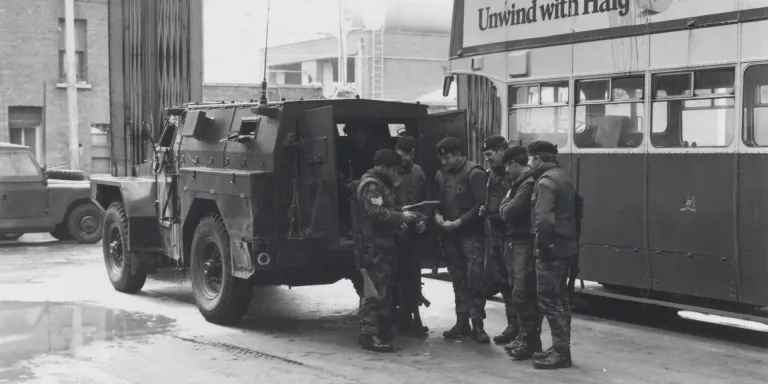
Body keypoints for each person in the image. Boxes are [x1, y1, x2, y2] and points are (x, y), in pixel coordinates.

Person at [355, 149, 423, 352]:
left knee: (381, 290)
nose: (396, 175)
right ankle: (369, 335)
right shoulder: (373, 184)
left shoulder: (378, 182)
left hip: (383, 242)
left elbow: (384, 211)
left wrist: (398, 219)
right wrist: (401, 218)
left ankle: (376, 331)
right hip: (376, 245)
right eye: (394, 170)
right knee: (375, 291)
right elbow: (375, 212)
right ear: (383, 167)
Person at [525, 141, 578, 369]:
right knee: (561, 302)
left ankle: (560, 353)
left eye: (530, 159)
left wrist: (542, 247)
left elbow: (544, 219)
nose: (528, 163)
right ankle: (561, 348)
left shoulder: (545, 182)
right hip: (565, 247)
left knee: (549, 301)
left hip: (551, 249)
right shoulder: (563, 177)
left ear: (537, 159)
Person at [433, 137, 490, 343]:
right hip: (450, 236)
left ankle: (478, 324)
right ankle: (462, 321)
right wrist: (437, 216)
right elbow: (438, 202)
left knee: (474, 279)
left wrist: (458, 222)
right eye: (441, 158)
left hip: (471, 236)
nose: (444, 162)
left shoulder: (474, 173)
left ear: (459, 155)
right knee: (457, 279)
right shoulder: (441, 175)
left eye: (447, 157)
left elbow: (480, 206)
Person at [498, 146, 542, 360]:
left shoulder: (526, 184)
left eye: (507, 165)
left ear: (514, 163)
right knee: (520, 291)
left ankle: (529, 341)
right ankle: (527, 339)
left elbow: (509, 211)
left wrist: (504, 203)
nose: (506, 170)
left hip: (523, 242)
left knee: (522, 292)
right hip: (517, 241)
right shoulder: (520, 184)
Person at [477, 136, 519, 345]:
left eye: (489, 155)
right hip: (495, 234)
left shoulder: (515, 175)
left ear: (502, 151)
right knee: (502, 281)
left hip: (511, 235)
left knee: (515, 282)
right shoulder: (491, 174)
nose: (487, 160)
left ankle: (520, 329)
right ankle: (512, 325)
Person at [392, 135, 429, 337]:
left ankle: (413, 317)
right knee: (394, 276)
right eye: (403, 152)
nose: (407, 157)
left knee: (413, 276)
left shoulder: (417, 171)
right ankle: (399, 318)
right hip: (395, 231)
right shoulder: (389, 172)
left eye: (410, 153)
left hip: (413, 233)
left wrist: (423, 219)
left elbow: (423, 199)